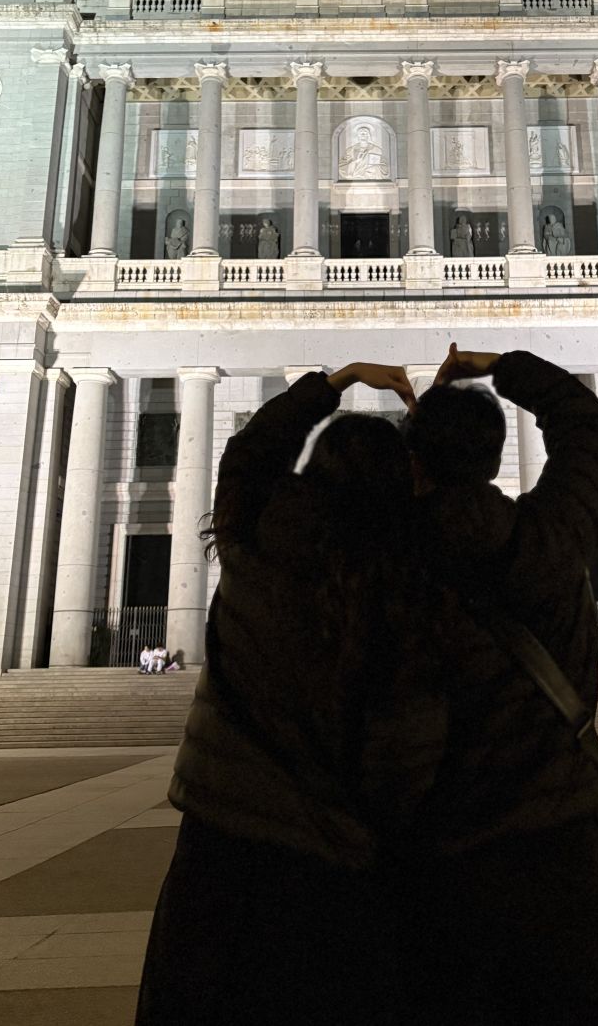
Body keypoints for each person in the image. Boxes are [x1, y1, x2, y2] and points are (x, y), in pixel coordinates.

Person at [137, 361, 445, 1026]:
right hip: (349, 866)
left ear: (314, 472)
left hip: (225, 854)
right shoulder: (412, 591)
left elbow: (249, 454)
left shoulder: (253, 553)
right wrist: (434, 426)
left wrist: (336, 380)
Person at [399, 342, 598, 1025]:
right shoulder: (552, 540)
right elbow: (588, 425)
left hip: (439, 865)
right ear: (496, 456)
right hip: (561, 855)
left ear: (414, 463)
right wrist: (500, 364)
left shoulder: (386, 567)